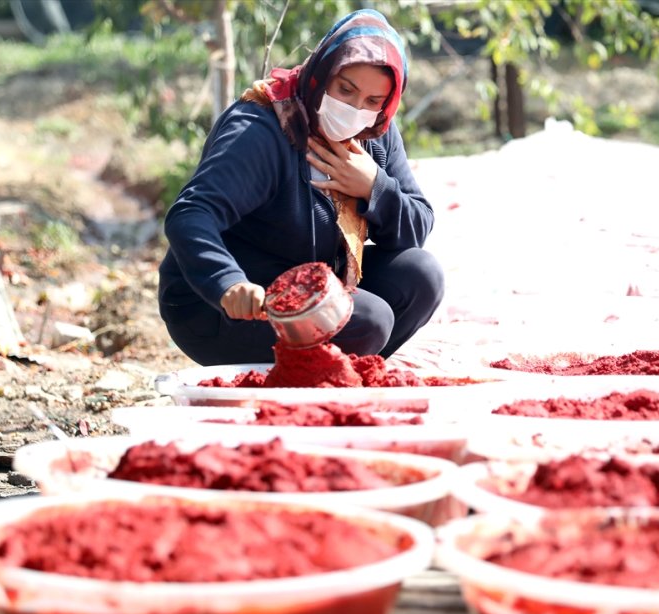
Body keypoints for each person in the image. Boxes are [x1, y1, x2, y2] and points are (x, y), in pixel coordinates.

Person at [158, 8, 444, 365]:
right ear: (322, 73)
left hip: (315, 280)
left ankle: (333, 378)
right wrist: (227, 282)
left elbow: (417, 224)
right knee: (368, 319)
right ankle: (307, 385)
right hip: (227, 306)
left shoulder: (375, 134)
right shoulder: (264, 128)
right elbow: (190, 215)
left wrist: (373, 187)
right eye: (345, 89)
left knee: (420, 276)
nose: (355, 109)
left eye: (373, 101)